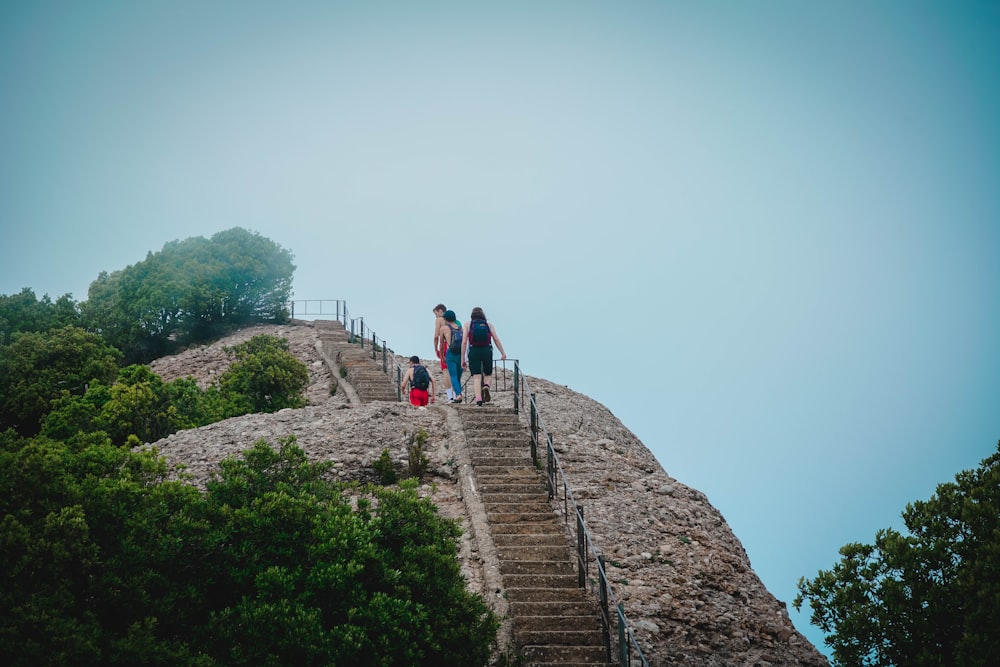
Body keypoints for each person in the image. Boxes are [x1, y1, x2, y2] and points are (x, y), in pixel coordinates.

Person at [461, 306, 506, 406]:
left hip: (473, 350)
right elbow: (496, 339)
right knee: (488, 373)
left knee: (476, 377)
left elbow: (464, 342)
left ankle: (479, 400)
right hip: (487, 349)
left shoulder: (468, 325)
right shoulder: (488, 325)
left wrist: (462, 359)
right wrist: (503, 353)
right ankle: (486, 385)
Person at [432, 303, 455, 401]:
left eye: (435, 313)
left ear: (440, 311)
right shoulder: (452, 320)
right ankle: (456, 394)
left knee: (445, 370)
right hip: (455, 346)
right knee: (453, 372)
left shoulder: (439, 319)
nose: (436, 316)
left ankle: (450, 396)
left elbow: (436, 335)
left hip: (445, 345)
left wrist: (435, 348)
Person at [441, 310, 464, 403]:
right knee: (458, 376)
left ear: (446, 318)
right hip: (460, 353)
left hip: (451, 352)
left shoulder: (444, 328)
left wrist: (442, 356)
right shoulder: (461, 328)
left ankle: (458, 395)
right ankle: (457, 394)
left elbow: (441, 344)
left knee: (453, 375)